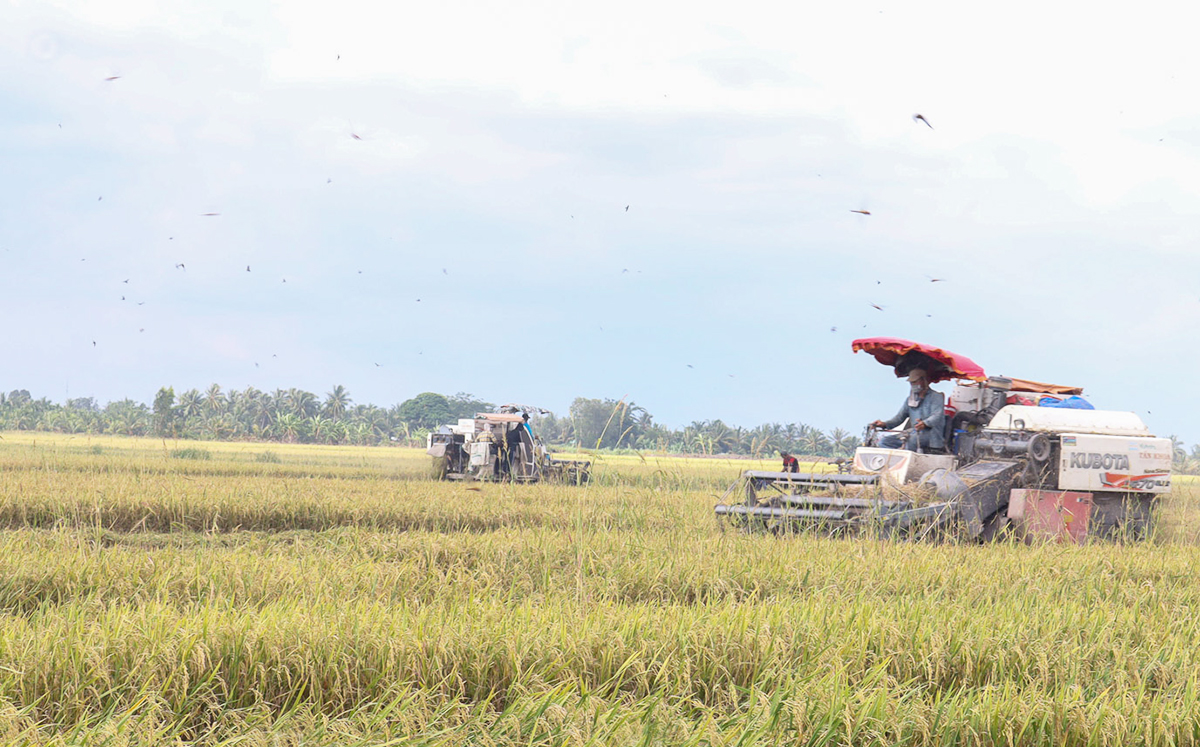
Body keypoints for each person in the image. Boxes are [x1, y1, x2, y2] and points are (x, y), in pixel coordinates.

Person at [870, 368, 946, 452]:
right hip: (913, 433)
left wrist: (925, 423)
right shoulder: (910, 400)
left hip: (931, 435)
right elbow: (899, 418)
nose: (913, 385)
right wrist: (884, 424)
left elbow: (937, 416)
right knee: (884, 442)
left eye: (915, 382)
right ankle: (894, 462)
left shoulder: (936, 397)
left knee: (911, 441)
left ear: (924, 381)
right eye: (911, 383)